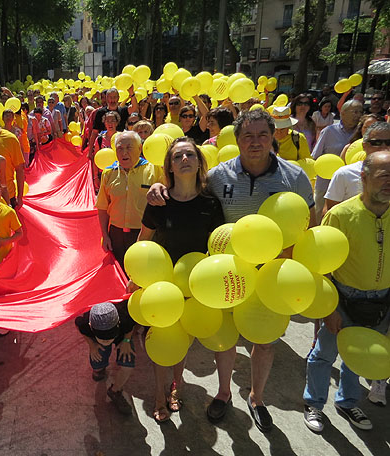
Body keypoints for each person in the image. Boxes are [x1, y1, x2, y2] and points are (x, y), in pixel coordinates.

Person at [147, 109, 316, 432]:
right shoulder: (218, 175)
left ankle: (256, 398)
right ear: (236, 140)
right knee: (224, 339)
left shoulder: (294, 177)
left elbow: (309, 224)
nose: (255, 142)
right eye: (248, 136)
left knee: (263, 341)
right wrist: (157, 186)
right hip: (225, 273)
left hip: (271, 275)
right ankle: (223, 393)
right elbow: (185, 186)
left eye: (262, 135)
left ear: (273, 137)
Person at [136, 137, 224, 423]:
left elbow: (217, 247)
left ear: (199, 163)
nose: (184, 159)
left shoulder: (211, 203)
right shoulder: (158, 201)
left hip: (192, 284)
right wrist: (136, 277)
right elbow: (143, 241)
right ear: (170, 167)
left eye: (190, 155)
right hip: (160, 282)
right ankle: (158, 396)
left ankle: (176, 384)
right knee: (160, 336)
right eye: (177, 156)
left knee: (183, 338)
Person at [303, 151, 390, 432]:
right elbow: (321, 267)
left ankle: (348, 402)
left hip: (383, 301)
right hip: (343, 299)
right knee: (324, 355)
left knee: (358, 355)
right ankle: (314, 404)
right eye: (384, 176)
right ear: (364, 177)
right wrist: (330, 308)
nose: (389, 182)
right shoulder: (340, 215)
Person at [96, 131, 164, 271]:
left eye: (129, 147)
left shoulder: (155, 170)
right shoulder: (108, 173)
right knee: (118, 273)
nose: (124, 152)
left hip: (144, 235)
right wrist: (105, 235)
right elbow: (102, 207)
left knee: (141, 273)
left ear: (140, 148)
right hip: (116, 235)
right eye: (120, 148)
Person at [75, 302, 136, 415]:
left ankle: (115, 391)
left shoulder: (124, 317)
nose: (107, 341)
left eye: (109, 338)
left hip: (122, 337)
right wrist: (92, 345)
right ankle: (99, 368)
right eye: (103, 338)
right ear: (90, 326)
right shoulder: (85, 323)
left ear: (118, 323)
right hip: (101, 339)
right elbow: (79, 326)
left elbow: (130, 327)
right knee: (97, 360)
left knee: (127, 364)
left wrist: (126, 341)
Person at [312, 100, 364, 220]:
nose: (358, 115)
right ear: (343, 113)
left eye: (360, 112)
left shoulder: (361, 134)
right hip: (325, 183)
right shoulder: (329, 131)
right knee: (320, 215)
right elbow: (315, 156)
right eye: (355, 111)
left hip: (351, 186)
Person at [326, 122, 390, 211]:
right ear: (364, 146)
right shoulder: (344, 174)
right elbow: (330, 211)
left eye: (388, 142)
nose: (384, 147)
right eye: (376, 142)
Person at [88, 88, 138, 164]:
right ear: (107, 98)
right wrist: (90, 150)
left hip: (120, 145)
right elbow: (94, 132)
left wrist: (132, 94)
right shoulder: (100, 112)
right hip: (104, 146)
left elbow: (134, 107)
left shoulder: (123, 110)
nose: (112, 100)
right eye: (110, 97)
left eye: (114, 97)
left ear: (118, 98)